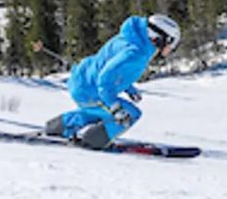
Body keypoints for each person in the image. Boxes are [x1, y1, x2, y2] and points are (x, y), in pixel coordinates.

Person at [44, 14, 181, 150]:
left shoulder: (133, 39)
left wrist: (129, 89)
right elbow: (105, 78)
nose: (171, 48)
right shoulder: (135, 53)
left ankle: (58, 127)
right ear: (159, 38)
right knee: (129, 115)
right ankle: (93, 141)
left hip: (82, 82)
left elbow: (117, 72)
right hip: (91, 89)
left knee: (98, 111)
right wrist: (115, 107)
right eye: (171, 42)